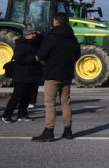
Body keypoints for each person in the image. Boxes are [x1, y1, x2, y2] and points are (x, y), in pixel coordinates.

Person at [32, 13, 81, 142]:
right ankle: (68, 130)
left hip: (52, 74)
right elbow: (77, 55)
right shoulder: (72, 37)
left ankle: (49, 131)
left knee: (50, 103)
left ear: (56, 21)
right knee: (66, 103)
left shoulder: (52, 36)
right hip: (67, 75)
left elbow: (41, 54)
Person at [2, 29, 42, 123]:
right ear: (26, 35)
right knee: (17, 96)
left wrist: (39, 33)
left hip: (30, 74)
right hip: (21, 75)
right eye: (32, 34)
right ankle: (7, 115)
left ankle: (22, 114)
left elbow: (41, 38)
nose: (34, 35)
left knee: (27, 96)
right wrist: (34, 58)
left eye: (34, 33)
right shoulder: (21, 44)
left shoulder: (32, 42)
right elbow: (19, 59)